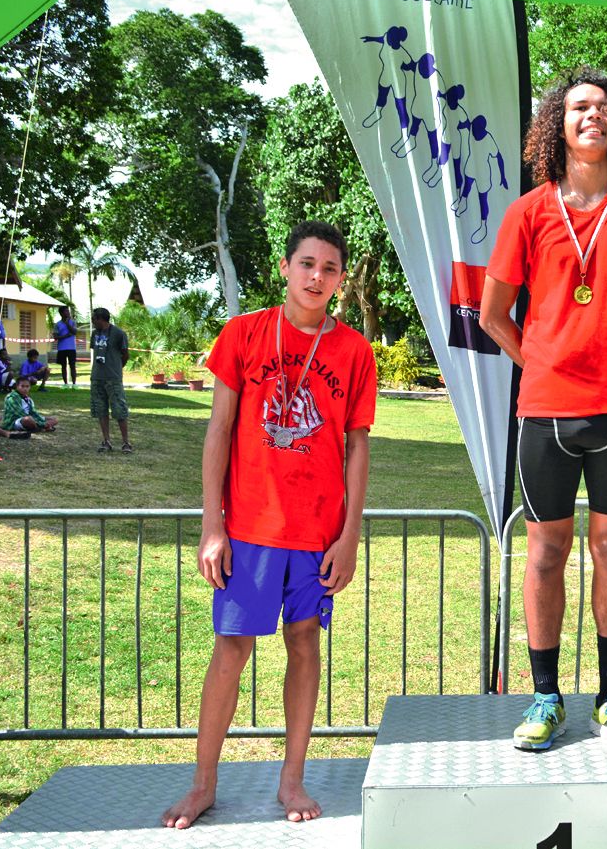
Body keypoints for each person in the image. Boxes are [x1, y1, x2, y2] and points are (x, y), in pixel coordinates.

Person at [480, 68, 607, 752]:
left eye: (602, 107)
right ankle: (544, 697)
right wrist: (538, 362)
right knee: (545, 552)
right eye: (577, 108)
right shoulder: (528, 211)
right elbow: (491, 313)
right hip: (544, 411)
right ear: (556, 124)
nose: (590, 116)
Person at [161, 221, 377, 830]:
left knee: (304, 645)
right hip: (250, 528)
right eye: (307, 263)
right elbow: (219, 431)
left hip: (315, 534)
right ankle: (203, 784)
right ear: (286, 267)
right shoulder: (244, 333)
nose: (317, 277)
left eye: (330, 269)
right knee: (231, 650)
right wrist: (213, 525)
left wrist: (349, 534)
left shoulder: (355, 352)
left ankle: (292, 778)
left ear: (340, 280)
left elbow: (356, 447)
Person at [90, 308, 131, 452]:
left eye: (94, 319)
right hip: (97, 377)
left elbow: (125, 355)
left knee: (120, 410)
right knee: (101, 410)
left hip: (113, 378)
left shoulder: (119, 334)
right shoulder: (94, 334)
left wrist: (117, 368)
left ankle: (126, 442)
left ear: (102, 319)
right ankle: (106, 441)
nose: (92, 322)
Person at [53, 306, 78, 386]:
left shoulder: (73, 322)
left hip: (71, 348)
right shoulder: (57, 324)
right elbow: (55, 337)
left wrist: (67, 324)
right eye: (66, 311)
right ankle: (65, 384)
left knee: (72, 366)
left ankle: (74, 384)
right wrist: (65, 336)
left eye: (68, 311)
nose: (68, 313)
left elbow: (74, 332)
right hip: (62, 348)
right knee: (63, 366)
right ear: (61, 313)